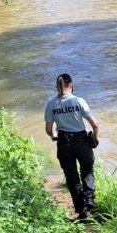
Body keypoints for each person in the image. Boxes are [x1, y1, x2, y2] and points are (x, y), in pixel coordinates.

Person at [44, 73, 100, 219]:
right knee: (87, 171)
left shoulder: (51, 104)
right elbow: (95, 124)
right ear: (72, 85)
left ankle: (81, 211)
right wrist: (95, 138)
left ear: (58, 86)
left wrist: (52, 137)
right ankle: (89, 200)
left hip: (63, 143)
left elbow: (49, 129)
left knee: (72, 177)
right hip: (81, 141)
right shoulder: (78, 101)